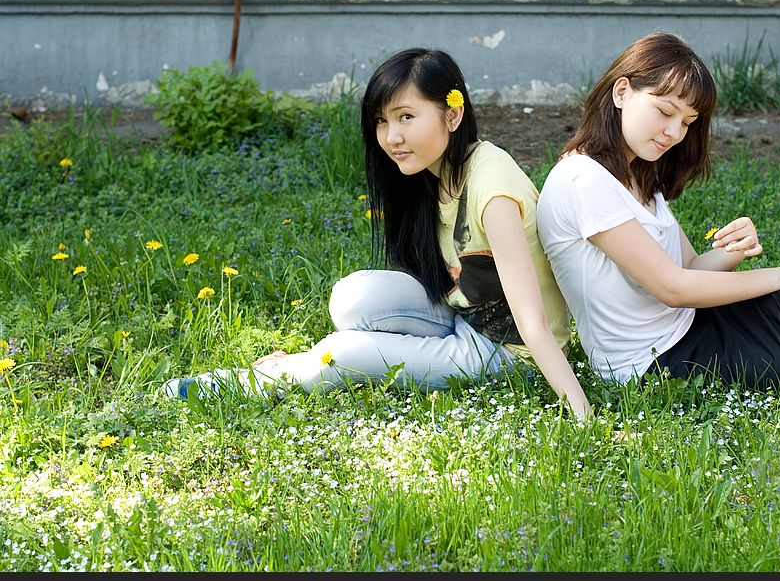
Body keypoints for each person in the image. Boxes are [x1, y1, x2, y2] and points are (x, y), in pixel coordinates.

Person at [164, 48, 592, 417]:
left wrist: (580, 409)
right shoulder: (430, 172)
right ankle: (311, 358)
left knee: (341, 358)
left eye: (407, 117)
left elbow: (533, 320)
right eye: (383, 121)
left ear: (453, 114)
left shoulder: (492, 188)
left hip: (507, 352)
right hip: (460, 315)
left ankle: (249, 381)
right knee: (350, 297)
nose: (392, 137)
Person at [536, 31, 780, 389]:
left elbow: (690, 268)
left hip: (691, 320)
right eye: (665, 111)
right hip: (650, 360)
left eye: (687, 121)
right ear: (622, 92)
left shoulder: (635, 172)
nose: (674, 132)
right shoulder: (584, 180)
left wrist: (732, 250)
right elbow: (672, 287)